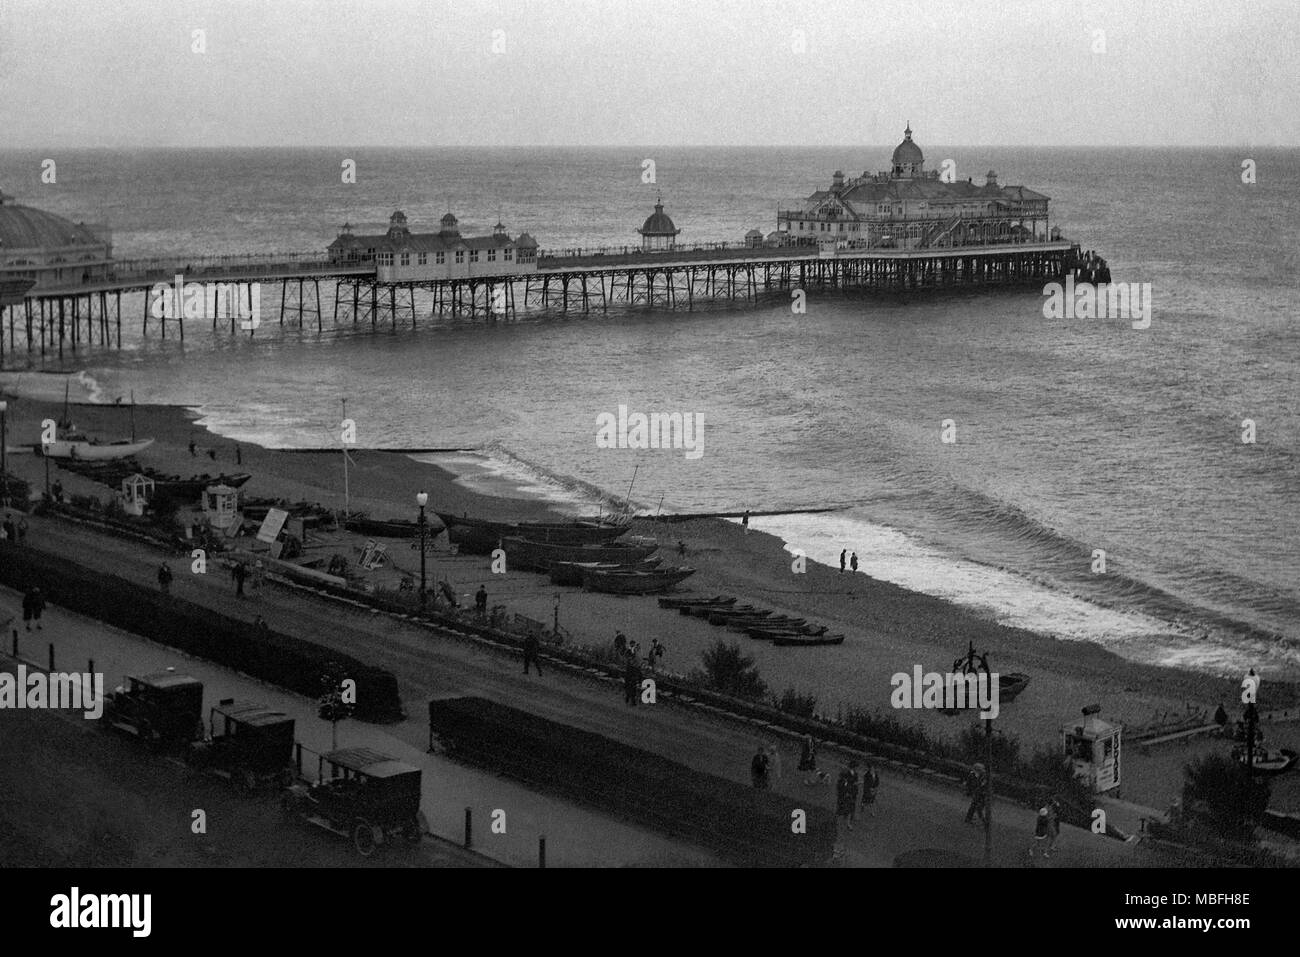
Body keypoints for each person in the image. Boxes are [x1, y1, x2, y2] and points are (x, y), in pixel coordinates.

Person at [836, 762, 860, 830]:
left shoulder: (855, 774)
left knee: (850, 808)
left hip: (852, 793)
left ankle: (848, 823)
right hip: (845, 794)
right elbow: (842, 785)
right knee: (842, 807)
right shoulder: (846, 774)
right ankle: (838, 820)